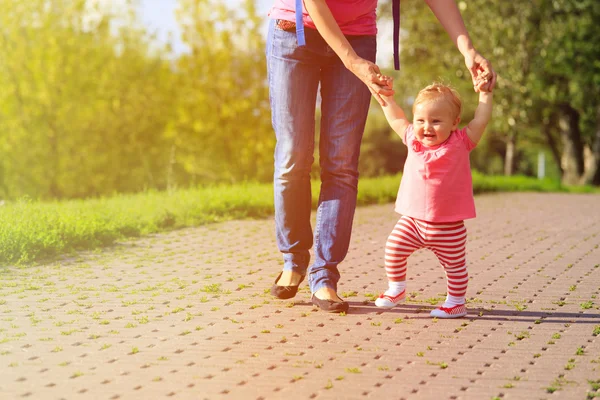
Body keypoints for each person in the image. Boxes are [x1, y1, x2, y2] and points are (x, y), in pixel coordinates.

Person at [266, 0, 497, 313]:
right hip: (295, 32)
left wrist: (467, 49)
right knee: (293, 155)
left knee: (341, 162)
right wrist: (352, 61)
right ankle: (294, 259)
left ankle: (324, 276)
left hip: (358, 37)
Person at [374, 79, 494, 318]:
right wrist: (386, 97)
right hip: (413, 221)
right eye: (421, 120)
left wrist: (485, 94)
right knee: (393, 248)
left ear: (454, 123)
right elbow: (397, 118)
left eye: (436, 121)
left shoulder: (462, 141)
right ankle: (396, 289)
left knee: (455, 266)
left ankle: (456, 302)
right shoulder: (412, 139)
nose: (426, 127)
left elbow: (480, 120)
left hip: (448, 226)